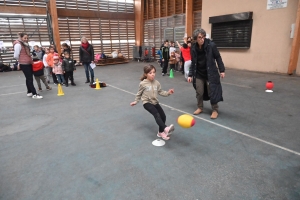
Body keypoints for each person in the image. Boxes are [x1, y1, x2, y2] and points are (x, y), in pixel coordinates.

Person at [187, 28, 225, 119]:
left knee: (212, 91)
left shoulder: (211, 45)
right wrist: (190, 75)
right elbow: (193, 62)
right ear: (196, 38)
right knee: (199, 92)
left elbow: (218, 57)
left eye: (203, 37)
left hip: (210, 73)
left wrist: (222, 70)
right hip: (199, 74)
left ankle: (215, 110)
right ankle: (200, 107)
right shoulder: (193, 48)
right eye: (200, 37)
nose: (202, 39)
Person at [130, 65, 175, 140]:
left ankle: (160, 132)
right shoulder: (143, 83)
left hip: (155, 102)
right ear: (145, 74)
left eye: (154, 72)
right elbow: (139, 93)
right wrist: (136, 101)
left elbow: (160, 92)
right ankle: (165, 128)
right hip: (147, 103)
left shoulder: (156, 83)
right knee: (156, 114)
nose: (153, 74)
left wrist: (168, 92)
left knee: (163, 116)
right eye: (150, 73)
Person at [13, 32, 43, 99]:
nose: (26, 39)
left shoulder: (24, 44)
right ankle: (34, 94)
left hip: (28, 63)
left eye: (27, 38)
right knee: (30, 79)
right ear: (21, 37)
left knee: (28, 78)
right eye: (24, 38)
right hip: (24, 64)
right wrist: (20, 61)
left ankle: (29, 92)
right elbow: (16, 55)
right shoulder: (18, 44)